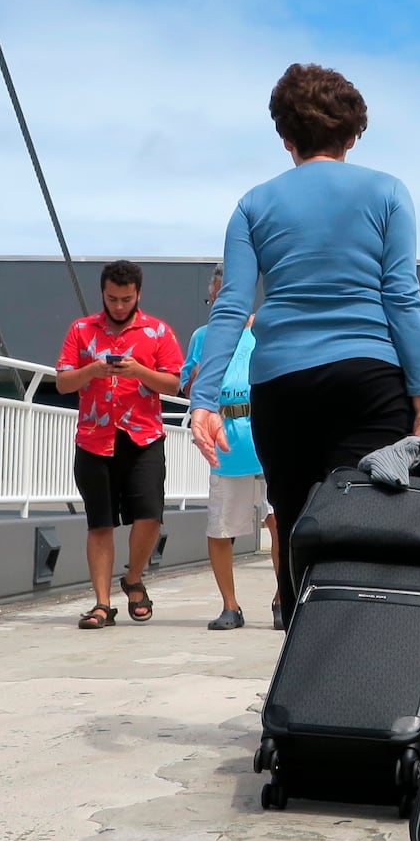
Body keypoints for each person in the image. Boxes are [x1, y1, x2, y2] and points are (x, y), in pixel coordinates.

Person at [188, 64, 420, 616]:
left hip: (282, 384)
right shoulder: (388, 192)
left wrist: (204, 400)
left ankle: (298, 667)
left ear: (286, 138)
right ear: (353, 135)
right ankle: (359, 666)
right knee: (368, 521)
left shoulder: (253, 204)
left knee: (296, 520)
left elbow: (233, 306)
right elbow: (403, 298)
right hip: (369, 377)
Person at [54, 260, 184, 629]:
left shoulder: (158, 332)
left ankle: (134, 578)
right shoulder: (81, 330)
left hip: (142, 437)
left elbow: (173, 386)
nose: (119, 306)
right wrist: (91, 371)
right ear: (103, 293)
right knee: (100, 523)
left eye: (126, 299)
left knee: (149, 517)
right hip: (95, 439)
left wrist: (138, 371)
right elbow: (63, 383)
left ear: (138, 294)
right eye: (112, 298)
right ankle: (101, 604)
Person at [182, 265, 273, 630]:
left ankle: (283, 598)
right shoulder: (202, 337)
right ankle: (230, 606)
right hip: (225, 444)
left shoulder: (267, 332)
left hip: (266, 439)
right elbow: (188, 390)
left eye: (228, 295)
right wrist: (200, 371)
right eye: (216, 297)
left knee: (279, 522)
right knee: (220, 528)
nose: (221, 302)